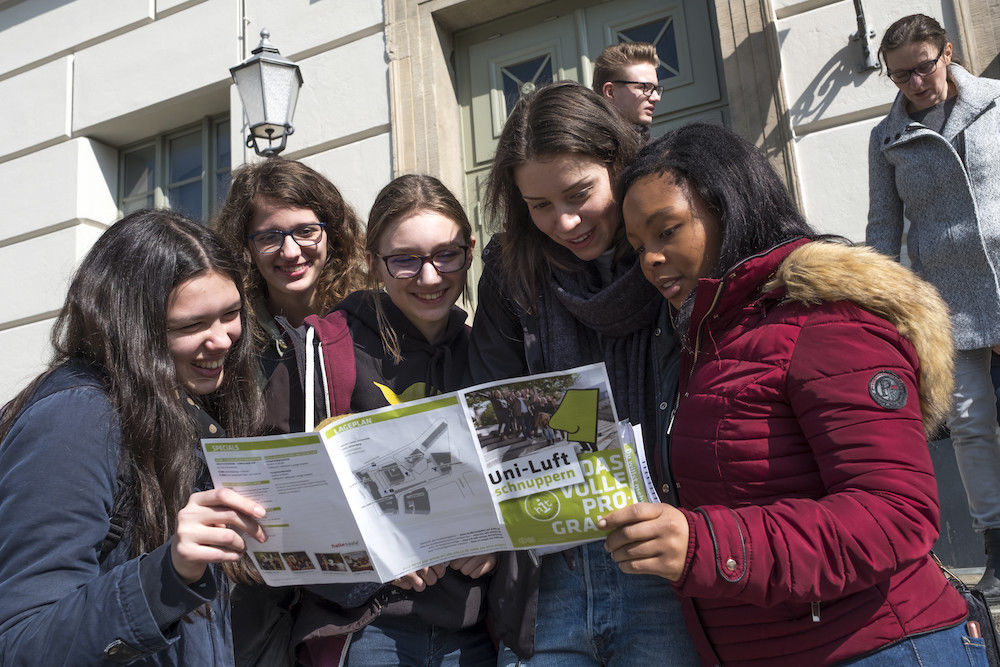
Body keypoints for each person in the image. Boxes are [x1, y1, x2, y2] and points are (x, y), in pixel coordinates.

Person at [601, 122, 976, 665]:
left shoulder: (828, 320)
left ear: (729, 209)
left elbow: (897, 514)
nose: (650, 260)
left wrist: (707, 546)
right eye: (638, 246)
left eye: (667, 231)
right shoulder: (707, 339)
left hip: (884, 647)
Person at [469, 80, 698, 665]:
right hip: (552, 572)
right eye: (539, 205)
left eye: (579, 193)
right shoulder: (509, 275)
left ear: (619, 163)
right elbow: (496, 413)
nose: (565, 222)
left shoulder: (674, 260)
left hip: (667, 555)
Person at [241, 174, 496, 666]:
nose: (430, 277)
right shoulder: (326, 346)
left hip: (472, 629)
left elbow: (514, 476)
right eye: (405, 260)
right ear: (372, 263)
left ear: (469, 250)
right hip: (370, 629)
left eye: (447, 254)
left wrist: (495, 543)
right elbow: (298, 499)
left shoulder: (484, 351)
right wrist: (382, 552)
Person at [0, 210, 266, 665]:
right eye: (191, 325)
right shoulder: (77, 416)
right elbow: (23, 641)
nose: (222, 339)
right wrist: (169, 573)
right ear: (130, 329)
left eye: (231, 313)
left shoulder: (182, 403)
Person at [866, 13, 1000, 598]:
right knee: (971, 425)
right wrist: (879, 301)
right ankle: (996, 545)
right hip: (948, 301)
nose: (916, 83)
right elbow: (883, 225)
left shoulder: (997, 103)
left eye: (923, 67)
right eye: (900, 77)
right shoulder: (886, 138)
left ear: (947, 52)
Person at [213, 157, 367, 434]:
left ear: (331, 233)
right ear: (245, 246)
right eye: (269, 238)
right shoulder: (231, 338)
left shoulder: (368, 321)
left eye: (306, 231)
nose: (291, 252)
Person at [591, 42, 662, 141]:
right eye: (644, 87)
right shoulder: (582, 149)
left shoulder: (657, 152)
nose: (656, 98)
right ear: (610, 92)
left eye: (655, 89)